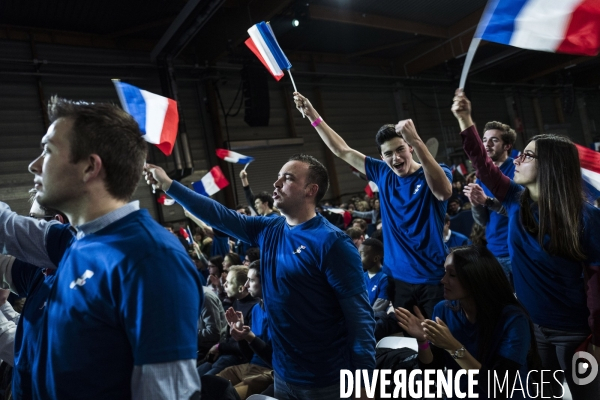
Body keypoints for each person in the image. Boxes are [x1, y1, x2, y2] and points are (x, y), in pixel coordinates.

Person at [0, 98, 202, 399]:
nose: (34, 165)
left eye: (48, 150)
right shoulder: (80, 242)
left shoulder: (152, 260)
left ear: (90, 167)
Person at [145, 153, 375, 400]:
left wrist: (364, 382)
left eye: (287, 179)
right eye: (278, 177)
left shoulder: (332, 243)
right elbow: (219, 215)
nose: (276, 184)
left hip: (327, 381)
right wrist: (169, 185)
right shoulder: (269, 229)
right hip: (284, 375)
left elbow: (360, 320)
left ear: (311, 190)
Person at [452, 89, 600, 398]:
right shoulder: (515, 200)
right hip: (532, 326)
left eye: (528, 155)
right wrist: (465, 118)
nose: (517, 158)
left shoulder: (587, 218)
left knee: (586, 393)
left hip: (575, 332)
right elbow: (482, 162)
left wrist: (597, 336)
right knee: (542, 393)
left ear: (551, 166)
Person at [293, 92, 452, 322]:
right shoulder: (382, 172)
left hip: (432, 279)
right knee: (417, 345)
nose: (395, 158)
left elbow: (444, 192)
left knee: (440, 342)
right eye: (388, 154)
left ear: (410, 148)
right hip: (398, 280)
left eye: (400, 150)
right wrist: (312, 115)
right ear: (381, 156)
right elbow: (342, 150)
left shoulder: (437, 171)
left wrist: (418, 140)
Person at [396, 246, 538, 398]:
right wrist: (423, 341)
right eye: (445, 272)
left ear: (476, 278)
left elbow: (499, 388)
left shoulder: (513, 319)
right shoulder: (443, 310)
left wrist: (453, 347)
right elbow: (432, 371)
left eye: (452, 275)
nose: (443, 280)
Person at [463, 120, 516, 283]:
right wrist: (475, 203)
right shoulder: (481, 177)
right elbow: (482, 220)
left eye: (494, 140)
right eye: (485, 140)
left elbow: (520, 210)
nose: (487, 144)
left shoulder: (518, 170)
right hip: (494, 251)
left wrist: (487, 201)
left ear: (507, 146)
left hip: (516, 249)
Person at [218, 261, 273, 399]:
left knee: (226, 396)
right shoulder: (256, 309)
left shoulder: (278, 312)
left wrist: (248, 336)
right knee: (207, 386)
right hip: (248, 366)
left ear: (266, 282)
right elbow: (249, 355)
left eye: (251, 280)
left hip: (267, 371)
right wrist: (241, 336)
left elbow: (273, 359)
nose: (247, 285)